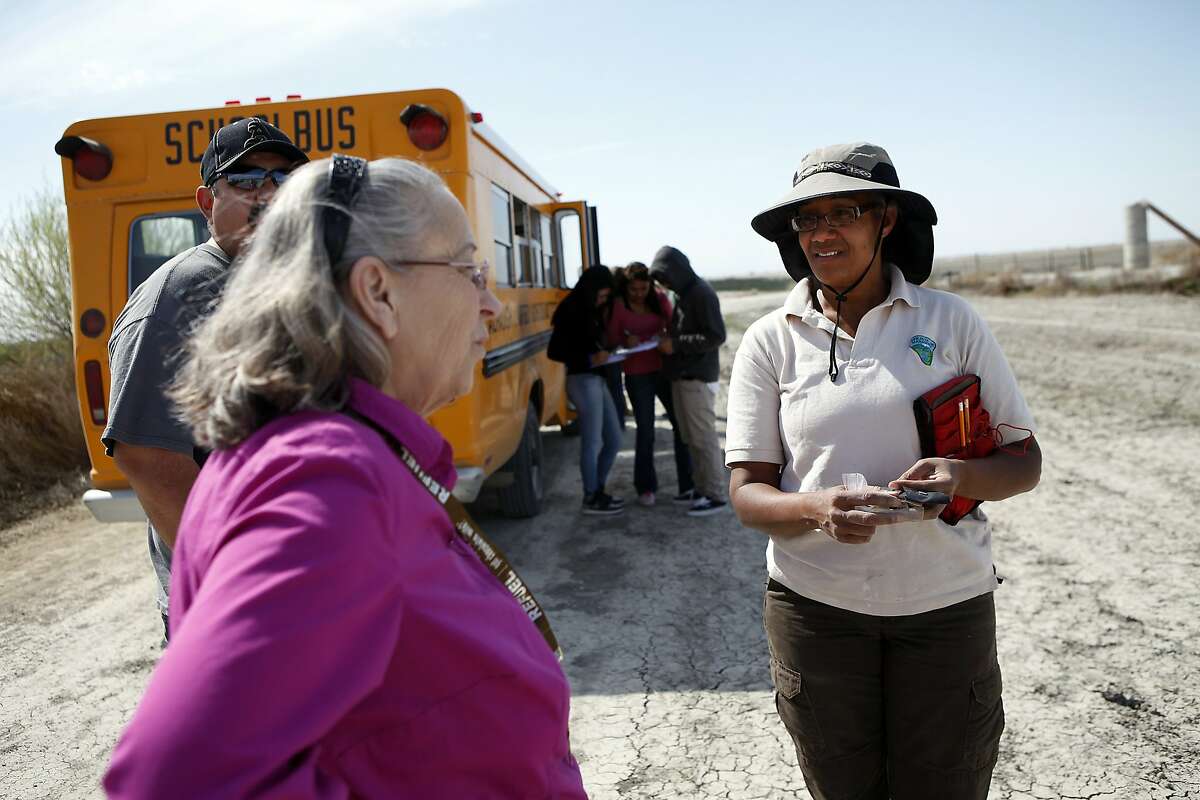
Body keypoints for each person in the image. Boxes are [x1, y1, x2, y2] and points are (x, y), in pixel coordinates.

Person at [103, 156, 587, 798]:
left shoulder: (346, 454)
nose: (491, 302)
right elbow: (174, 780)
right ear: (378, 292)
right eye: (470, 270)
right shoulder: (323, 477)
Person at [725, 142, 1042, 799]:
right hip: (816, 612)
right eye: (808, 220)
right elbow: (748, 494)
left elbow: (1023, 461)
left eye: (844, 212)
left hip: (945, 609)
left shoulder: (950, 322)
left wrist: (958, 477)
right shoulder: (771, 339)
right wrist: (817, 510)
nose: (823, 232)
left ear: (887, 220)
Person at [102, 118, 307, 641]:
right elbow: (145, 455)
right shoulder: (178, 295)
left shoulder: (274, 286)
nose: (267, 196)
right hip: (235, 605)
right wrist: (235, 578)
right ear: (206, 201)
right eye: (245, 181)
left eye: (283, 181)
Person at [607, 261, 694, 507]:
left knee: (680, 426)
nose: (638, 294)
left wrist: (666, 337)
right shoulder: (619, 306)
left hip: (664, 369)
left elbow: (674, 327)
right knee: (645, 431)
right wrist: (626, 338)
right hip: (636, 374)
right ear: (626, 287)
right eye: (634, 290)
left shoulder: (660, 299)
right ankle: (645, 487)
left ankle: (687, 484)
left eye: (643, 289)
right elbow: (612, 340)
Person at [650, 246, 728, 516]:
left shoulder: (701, 293)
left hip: (696, 377)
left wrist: (676, 345)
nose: (664, 284)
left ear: (676, 271)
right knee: (691, 439)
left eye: (665, 278)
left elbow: (716, 336)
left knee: (704, 439)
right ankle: (701, 488)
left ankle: (715, 494)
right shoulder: (684, 293)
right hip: (683, 377)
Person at [548, 265, 626, 515]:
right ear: (590, 289)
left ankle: (597, 490)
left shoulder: (590, 309)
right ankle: (590, 496)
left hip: (597, 379)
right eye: (601, 296)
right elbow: (555, 351)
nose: (603, 301)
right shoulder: (570, 310)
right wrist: (591, 359)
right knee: (592, 442)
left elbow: (592, 343)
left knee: (614, 439)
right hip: (582, 379)